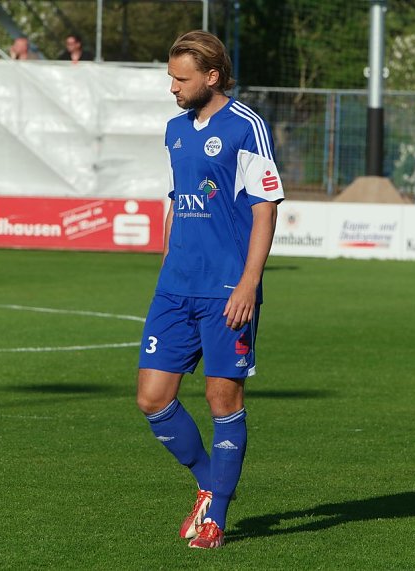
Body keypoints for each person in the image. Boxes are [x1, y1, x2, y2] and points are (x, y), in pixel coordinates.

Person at [136, 30, 284, 549]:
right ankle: (208, 481)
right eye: (171, 78)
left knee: (223, 398)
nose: (173, 88)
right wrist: (168, 255)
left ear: (212, 76)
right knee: (152, 398)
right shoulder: (176, 129)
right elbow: (179, 197)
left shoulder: (247, 127)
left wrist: (248, 283)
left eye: (181, 78)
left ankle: (216, 515)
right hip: (175, 288)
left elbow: (265, 211)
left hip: (227, 291)